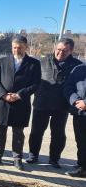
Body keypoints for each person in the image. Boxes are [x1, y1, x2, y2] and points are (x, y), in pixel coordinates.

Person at [27, 38, 82, 168]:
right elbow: (32, 80)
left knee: (58, 134)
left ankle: (54, 159)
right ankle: (33, 155)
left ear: (71, 51)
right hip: (42, 103)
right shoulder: (42, 61)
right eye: (58, 49)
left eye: (64, 50)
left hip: (62, 105)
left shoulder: (77, 65)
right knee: (36, 131)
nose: (60, 52)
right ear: (54, 48)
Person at [0, 35, 41, 170]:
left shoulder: (34, 63)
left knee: (18, 133)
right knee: (0, 131)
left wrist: (19, 95)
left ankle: (17, 158)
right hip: (3, 102)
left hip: (20, 103)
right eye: (14, 47)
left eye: (20, 47)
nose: (16, 50)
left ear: (26, 47)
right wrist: (4, 94)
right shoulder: (2, 61)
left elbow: (36, 84)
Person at [63, 63, 86, 177]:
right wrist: (75, 101)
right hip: (80, 112)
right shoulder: (78, 68)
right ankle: (82, 167)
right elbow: (68, 86)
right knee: (81, 142)